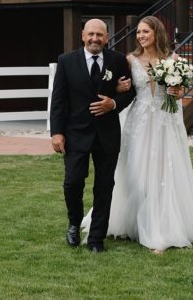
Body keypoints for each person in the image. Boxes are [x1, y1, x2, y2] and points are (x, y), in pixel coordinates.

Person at [85, 15, 193, 253]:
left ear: (156, 33)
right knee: (136, 172)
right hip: (138, 121)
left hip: (165, 121)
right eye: (138, 32)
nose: (140, 36)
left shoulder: (173, 59)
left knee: (165, 171)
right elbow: (120, 87)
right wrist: (119, 88)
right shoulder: (130, 60)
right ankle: (133, 221)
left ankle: (163, 227)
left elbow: (180, 92)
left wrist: (178, 92)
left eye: (145, 32)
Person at [49, 18, 133, 253]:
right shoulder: (66, 61)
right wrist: (56, 132)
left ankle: (96, 238)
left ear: (106, 38)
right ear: (83, 36)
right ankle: (74, 224)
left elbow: (131, 91)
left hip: (107, 134)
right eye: (91, 34)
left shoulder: (117, 60)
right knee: (73, 182)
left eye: (100, 35)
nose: (95, 38)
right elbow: (58, 100)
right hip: (75, 134)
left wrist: (114, 102)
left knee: (104, 186)